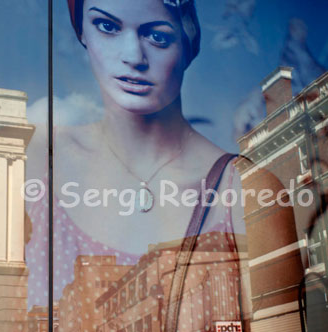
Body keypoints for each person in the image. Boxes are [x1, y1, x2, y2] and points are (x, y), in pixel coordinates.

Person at [26, 0, 252, 331]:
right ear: (82, 33)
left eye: (157, 36)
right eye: (107, 26)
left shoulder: (241, 186)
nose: (133, 56)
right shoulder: (37, 160)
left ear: (187, 43)